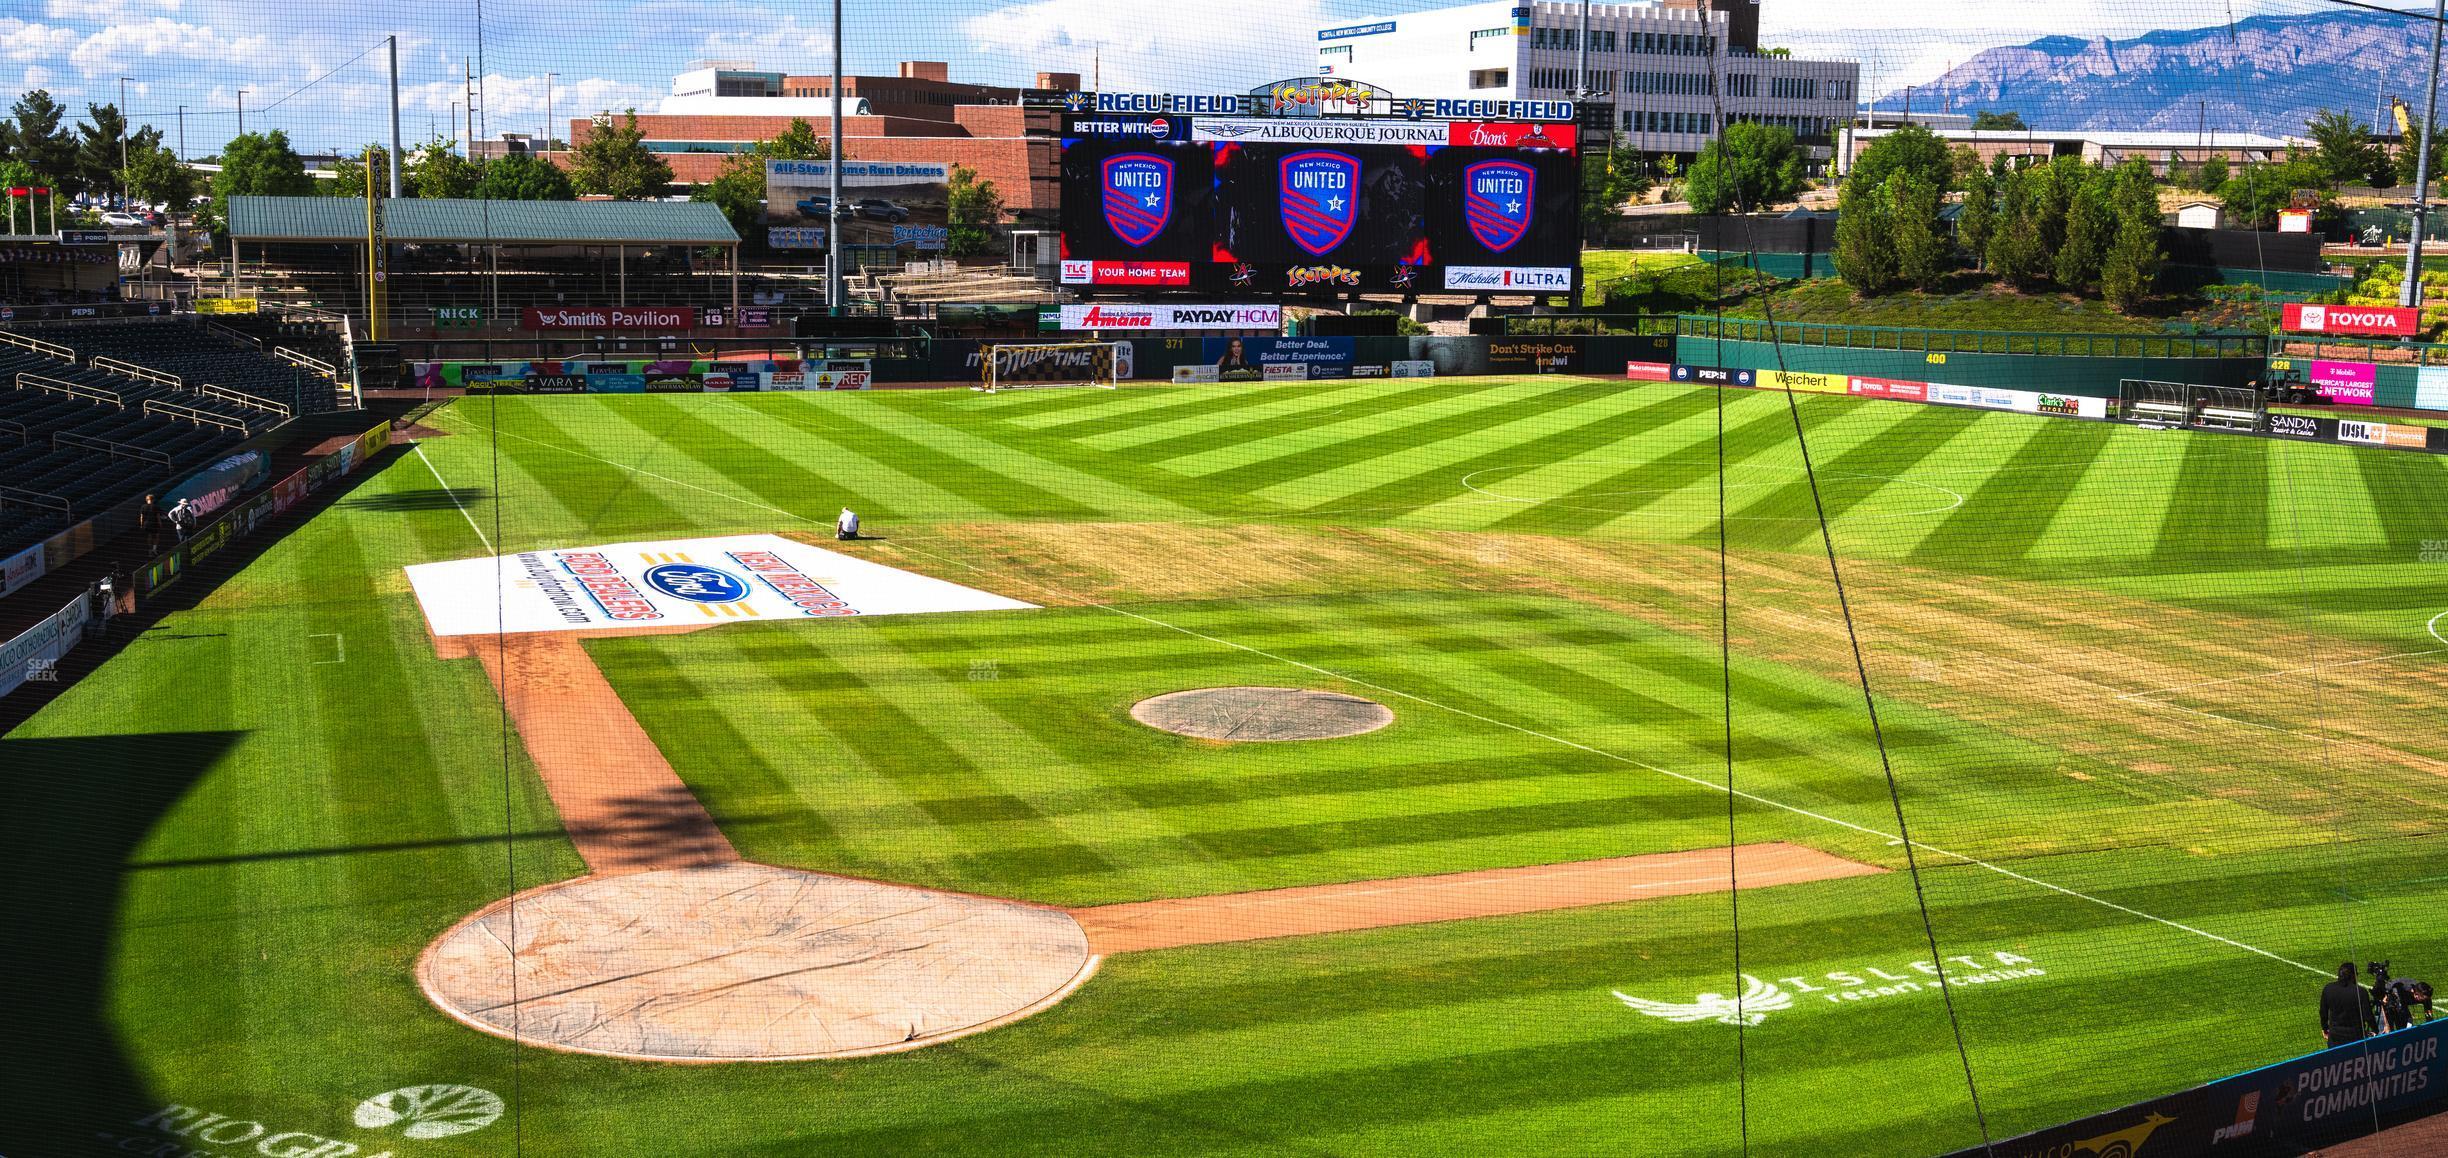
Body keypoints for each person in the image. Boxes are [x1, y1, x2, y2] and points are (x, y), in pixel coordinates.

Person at [2323, 961, 2375, 1047]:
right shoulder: (2360, 992)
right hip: (2356, 1037)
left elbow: (2323, 1012)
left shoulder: (2328, 989)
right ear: (2353, 976)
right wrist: (2375, 1030)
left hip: (2335, 1037)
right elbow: (2368, 1016)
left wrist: (2324, 1028)